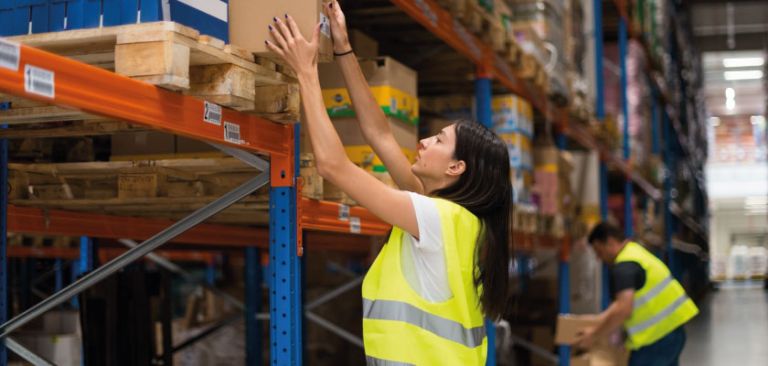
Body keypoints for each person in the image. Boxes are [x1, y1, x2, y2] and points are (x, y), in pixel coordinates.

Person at [264, 2, 511, 364]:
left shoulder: (436, 217)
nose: (424, 142)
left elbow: (333, 165)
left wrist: (306, 72)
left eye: (439, 140)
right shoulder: (456, 220)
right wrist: (344, 47)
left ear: (457, 167)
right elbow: (379, 134)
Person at [575, 222, 699, 366]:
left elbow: (623, 309)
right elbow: (619, 305)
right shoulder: (635, 252)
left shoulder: (625, 266)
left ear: (610, 242)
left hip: (655, 340)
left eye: (599, 251)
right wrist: (598, 321)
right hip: (671, 333)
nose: (599, 258)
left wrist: (594, 335)